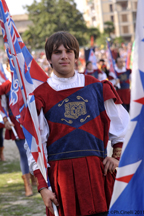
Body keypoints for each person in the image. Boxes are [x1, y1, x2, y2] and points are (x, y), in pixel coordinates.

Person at [25, 31, 129, 216]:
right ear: (48, 58)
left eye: (69, 51)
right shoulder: (40, 97)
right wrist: (42, 187)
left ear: (76, 55)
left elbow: (122, 127)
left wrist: (117, 157)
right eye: (57, 52)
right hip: (61, 181)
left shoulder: (97, 87)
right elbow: (34, 146)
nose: (64, 56)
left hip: (98, 175)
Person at [0, 79, 36, 196]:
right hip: (15, 122)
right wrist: (5, 118)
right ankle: (27, 184)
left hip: (30, 120)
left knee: (33, 150)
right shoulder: (7, 85)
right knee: (23, 152)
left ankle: (34, 176)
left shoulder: (28, 79)